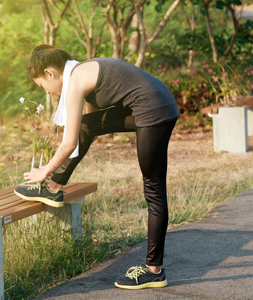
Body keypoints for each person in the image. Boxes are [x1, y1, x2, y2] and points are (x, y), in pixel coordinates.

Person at [14, 44, 179, 289]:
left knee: (153, 190)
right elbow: (91, 118)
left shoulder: (75, 82)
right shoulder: (82, 71)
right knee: (87, 125)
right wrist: (90, 129)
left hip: (154, 111)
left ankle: (154, 271)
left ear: (50, 73)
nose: (47, 93)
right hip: (158, 101)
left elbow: (69, 143)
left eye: (42, 86)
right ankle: (54, 186)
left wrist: (44, 169)